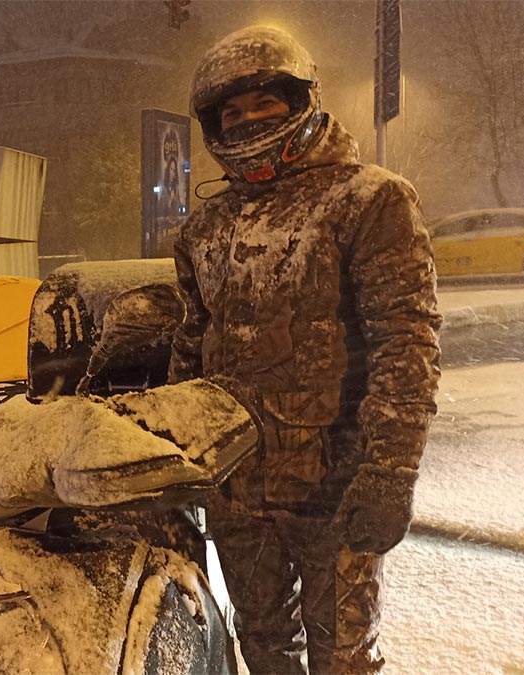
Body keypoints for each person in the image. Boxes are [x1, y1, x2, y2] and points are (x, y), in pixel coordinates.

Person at [169, 26, 442, 673]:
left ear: (300, 101)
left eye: (264, 103)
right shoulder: (205, 227)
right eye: (231, 112)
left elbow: (406, 343)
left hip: (336, 490)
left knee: (343, 659)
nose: (248, 121)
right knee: (264, 649)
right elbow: (191, 347)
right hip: (239, 494)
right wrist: (174, 455)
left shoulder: (369, 201)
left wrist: (390, 470)